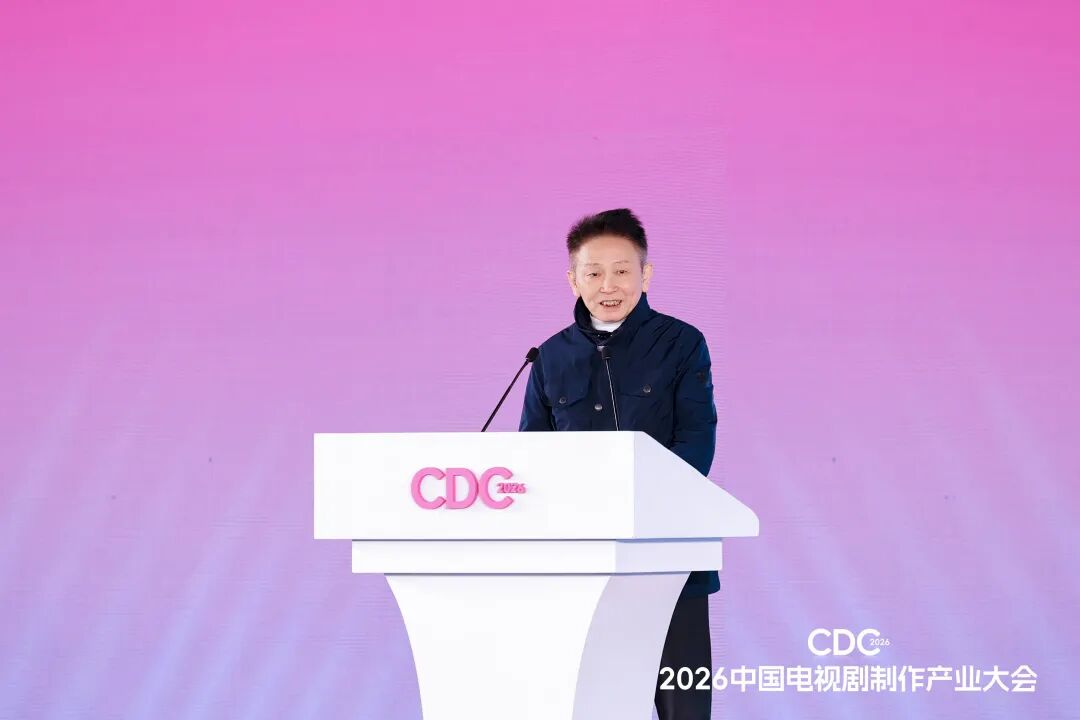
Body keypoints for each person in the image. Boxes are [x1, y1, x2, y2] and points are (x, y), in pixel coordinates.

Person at [519, 208, 718, 720]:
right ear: (573, 280)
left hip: (669, 560)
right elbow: (530, 457)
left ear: (645, 275)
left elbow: (696, 441)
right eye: (594, 273)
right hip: (578, 567)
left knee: (684, 707)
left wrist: (634, 507)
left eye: (623, 271)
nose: (609, 286)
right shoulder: (549, 357)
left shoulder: (681, 344)